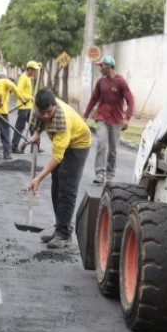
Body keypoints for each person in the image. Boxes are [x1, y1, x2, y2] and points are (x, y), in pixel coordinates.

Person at [26, 88, 92, 248]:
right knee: (56, 186)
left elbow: (57, 156)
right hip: (64, 144)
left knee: (67, 187)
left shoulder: (63, 120)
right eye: (42, 112)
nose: (45, 116)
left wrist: (38, 178)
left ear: (54, 105)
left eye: (49, 112)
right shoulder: (38, 109)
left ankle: (64, 234)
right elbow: (40, 122)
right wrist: (37, 134)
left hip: (78, 144)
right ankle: (60, 228)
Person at [82, 55, 134, 185]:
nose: (100, 68)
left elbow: (130, 100)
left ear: (109, 66)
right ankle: (100, 174)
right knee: (101, 143)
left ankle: (110, 174)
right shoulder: (101, 82)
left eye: (102, 65)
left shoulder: (120, 82)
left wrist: (127, 119)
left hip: (116, 120)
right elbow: (93, 99)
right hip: (102, 118)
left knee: (113, 149)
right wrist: (85, 115)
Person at [0, 73, 29, 160]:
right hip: (1, 112)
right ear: (3, 77)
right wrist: (22, 99)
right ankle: (7, 153)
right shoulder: (5, 81)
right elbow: (14, 88)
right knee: (5, 133)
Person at [12, 61, 41, 154]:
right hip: (23, 106)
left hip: (29, 106)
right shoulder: (23, 78)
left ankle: (35, 146)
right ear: (29, 70)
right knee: (20, 127)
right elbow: (18, 91)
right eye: (35, 70)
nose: (36, 72)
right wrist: (30, 97)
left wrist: (38, 65)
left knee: (33, 126)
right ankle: (14, 147)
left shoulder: (28, 78)